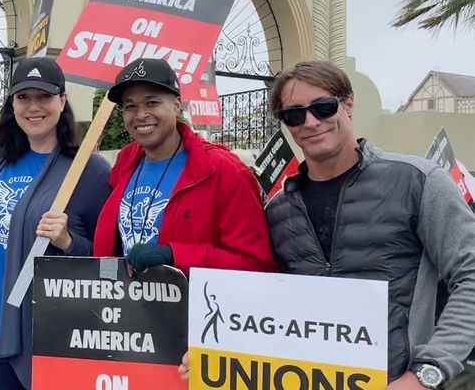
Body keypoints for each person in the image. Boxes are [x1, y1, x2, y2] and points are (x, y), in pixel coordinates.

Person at [200, 60, 475, 389]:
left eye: (323, 107)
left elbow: (470, 275)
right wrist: (213, 352)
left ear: (348, 105)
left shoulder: (419, 181)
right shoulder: (279, 210)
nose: (311, 122)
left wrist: (427, 372)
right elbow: (263, 307)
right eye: (294, 114)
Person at [0, 58, 111, 389]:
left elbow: (110, 263)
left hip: (50, 334)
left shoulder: (89, 169)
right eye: (23, 97)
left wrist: (68, 242)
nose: (33, 107)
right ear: (12, 104)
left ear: (63, 101)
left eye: (44, 96)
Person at [91, 58, 276, 274]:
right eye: (130, 106)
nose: (140, 115)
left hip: (193, 296)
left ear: (176, 105)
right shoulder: (124, 164)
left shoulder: (224, 170)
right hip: (125, 295)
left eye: (152, 102)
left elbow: (255, 264)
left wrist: (174, 256)